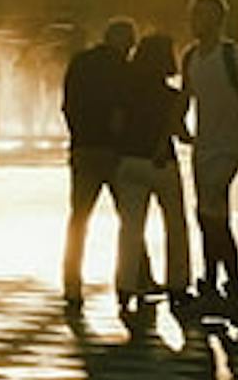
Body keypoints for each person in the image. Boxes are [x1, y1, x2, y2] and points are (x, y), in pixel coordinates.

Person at [179, 0, 238, 314]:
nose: (195, 21)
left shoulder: (235, 56)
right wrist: (178, 126)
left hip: (230, 146)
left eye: (202, 15)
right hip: (203, 147)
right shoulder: (191, 57)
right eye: (193, 14)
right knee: (208, 218)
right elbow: (186, 96)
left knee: (212, 215)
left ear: (217, 19)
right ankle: (216, 285)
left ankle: (231, 288)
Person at [109, 33, 192, 312]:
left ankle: (126, 286)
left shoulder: (124, 90)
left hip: (130, 161)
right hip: (162, 163)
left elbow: (117, 125)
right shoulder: (172, 96)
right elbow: (179, 132)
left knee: (131, 228)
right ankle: (178, 284)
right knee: (175, 224)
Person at [60, 18, 137, 308]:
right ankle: (133, 279)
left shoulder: (79, 63)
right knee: (129, 218)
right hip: (114, 151)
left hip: (83, 148)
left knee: (79, 218)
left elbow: (66, 104)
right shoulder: (123, 68)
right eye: (130, 43)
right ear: (124, 42)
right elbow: (123, 109)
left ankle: (71, 283)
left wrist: (78, 134)